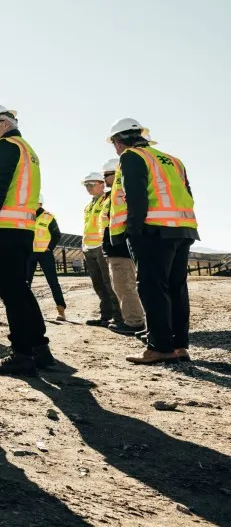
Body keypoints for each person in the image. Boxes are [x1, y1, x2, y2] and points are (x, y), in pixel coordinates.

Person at [106, 118, 199, 365]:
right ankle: (179, 346)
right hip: (183, 228)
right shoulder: (172, 160)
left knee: (153, 288)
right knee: (176, 288)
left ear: (118, 141)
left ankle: (158, 346)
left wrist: (134, 233)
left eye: (114, 144)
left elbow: (136, 197)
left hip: (154, 231)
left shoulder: (131, 157)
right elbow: (188, 194)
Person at [0, 103, 56, 375]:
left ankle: (22, 354)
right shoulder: (27, 151)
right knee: (20, 291)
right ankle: (40, 349)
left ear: (5, 123)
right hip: (21, 229)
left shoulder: (5, 147)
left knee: (13, 293)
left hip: (3, 229)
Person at [100, 157, 147, 335]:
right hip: (115, 248)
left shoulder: (120, 193)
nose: (104, 179)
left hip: (121, 248)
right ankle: (131, 319)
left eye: (107, 175)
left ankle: (134, 322)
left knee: (125, 285)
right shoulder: (111, 195)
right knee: (120, 285)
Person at [81, 171, 120, 327]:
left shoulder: (107, 199)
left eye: (91, 184)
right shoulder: (89, 206)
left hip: (101, 246)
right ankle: (105, 316)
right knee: (98, 284)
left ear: (102, 184)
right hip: (89, 247)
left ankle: (119, 317)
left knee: (109, 283)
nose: (88, 188)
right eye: (86, 185)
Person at [27, 196, 66, 321]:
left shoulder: (48, 217)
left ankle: (61, 310)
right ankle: (26, 310)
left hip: (45, 254)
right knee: (26, 282)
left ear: (39, 203)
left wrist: (49, 247)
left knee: (53, 282)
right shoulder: (26, 216)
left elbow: (56, 235)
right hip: (29, 253)